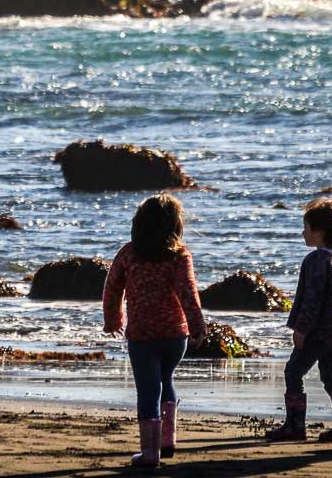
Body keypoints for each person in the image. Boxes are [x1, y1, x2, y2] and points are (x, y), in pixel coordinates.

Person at [103, 193, 208, 468]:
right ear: (175, 225)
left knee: (148, 390)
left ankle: (150, 453)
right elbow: (188, 293)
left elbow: (112, 289)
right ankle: (166, 441)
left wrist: (113, 319)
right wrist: (197, 326)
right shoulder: (179, 256)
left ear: (138, 223)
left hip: (142, 336)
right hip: (175, 336)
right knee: (166, 381)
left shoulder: (128, 253)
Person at [266, 198, 332, 443]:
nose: (303, 233)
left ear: (318, 232)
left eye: (306, 228)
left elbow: (313, 299)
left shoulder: (318, 259)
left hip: (318, 331)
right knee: (330, 374)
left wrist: (301, 329)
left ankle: (295, 426)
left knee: (293, 371)